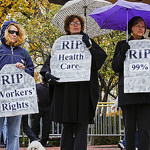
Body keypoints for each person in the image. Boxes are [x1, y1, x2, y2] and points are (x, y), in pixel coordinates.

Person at [40, 14, 107, 150]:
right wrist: (47, 74)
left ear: (82, 26)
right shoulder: (60, 42)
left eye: (78, 22)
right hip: (66, 91)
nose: (75, 25)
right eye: (72, 23)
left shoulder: (88, 41)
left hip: (83, 91)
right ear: (67, 26)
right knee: (67, 125)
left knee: (82, 125)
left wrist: (90, 47)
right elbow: (49, 63)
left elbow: (99, 61)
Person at [112, 16, 150, 150]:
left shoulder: (148, 45)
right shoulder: (122, 44)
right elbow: (115, 67)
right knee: (129, 128)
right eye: (137, 25)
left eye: (143, 26)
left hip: (145, 93)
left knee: (145, 129)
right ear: (131, 28)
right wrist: (122, 53)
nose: (141, 28)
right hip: (127, 93)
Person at [0, 20, 34, 150]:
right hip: (1, 96)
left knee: (14, 133)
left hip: (17, 98)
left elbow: (31, 73)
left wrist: (24, 69)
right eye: (11, 31)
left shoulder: (24, 53)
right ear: (4, 32)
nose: (14, 34)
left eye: (16, 32)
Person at [31, 76, 52, 147]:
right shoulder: (37, 86)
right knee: (36, 124)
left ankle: (43, 141)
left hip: (47, 108)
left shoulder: (49, 87)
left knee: (46, 125)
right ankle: (34, 140)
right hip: (38, 107)